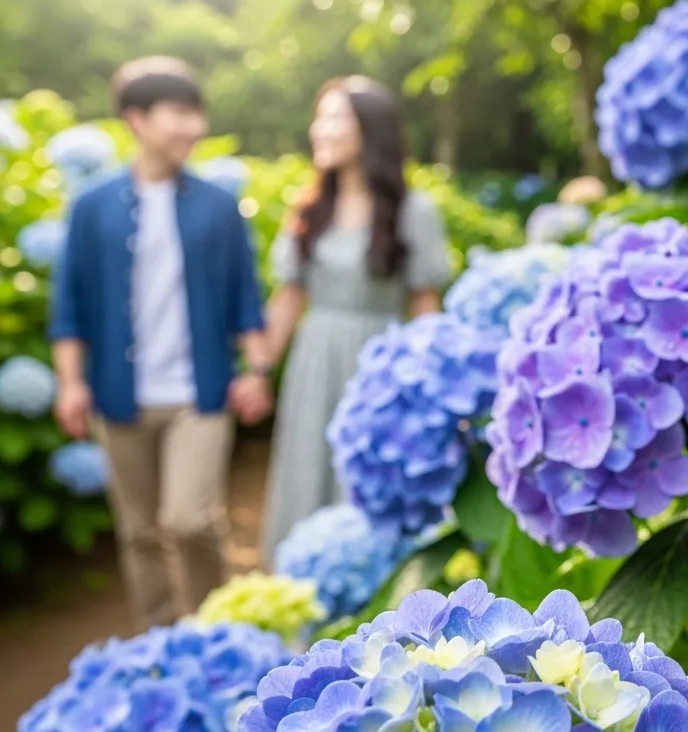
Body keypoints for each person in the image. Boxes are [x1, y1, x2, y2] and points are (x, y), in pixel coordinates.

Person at [50, 56, 273, 630]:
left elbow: (245, 297)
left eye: (196, 112)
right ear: (136, 120)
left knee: (189, 520)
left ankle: (214, 633)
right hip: (119, 396)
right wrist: (71, 383)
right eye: (179, 113)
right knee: (141, 532)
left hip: (199, 392)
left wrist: (257, 370)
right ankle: (159, 638)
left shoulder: (218, 207)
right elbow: (69, 307)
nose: (192, 127)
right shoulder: (92, 207)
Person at [259, 76, 450, 559]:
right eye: (318, 118)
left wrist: (433, 389)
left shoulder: (413, 211)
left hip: (381, 369)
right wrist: (258, 371)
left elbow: (425, 305)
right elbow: (289, 298)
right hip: (314, 363)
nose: (320, 130)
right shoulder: (308, 209)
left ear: (372, 129)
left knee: (370, 483)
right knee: (308, 469)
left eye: (335, 118)